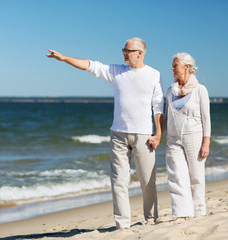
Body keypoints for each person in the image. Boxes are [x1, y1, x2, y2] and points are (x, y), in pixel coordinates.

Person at [46, 37, 164, 230]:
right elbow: (90, 65)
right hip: (118, 134)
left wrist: (158, 134)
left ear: (140, 53)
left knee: (147, 181)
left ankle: (151, 217)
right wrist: (64, 58)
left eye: (127, 50)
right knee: (118, 181)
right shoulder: (116, 71)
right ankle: (122, 224)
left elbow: (158, 107)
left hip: (143, 134)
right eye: (123, 49)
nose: (124, 53)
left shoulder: (154, 74)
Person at [164, 53, 211, 223]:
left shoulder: (200, 90)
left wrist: (206, 142)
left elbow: (206, 118)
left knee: (196, 175)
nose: (172, 68)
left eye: (175, 65)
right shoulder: (170, 91)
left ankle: (198, 211)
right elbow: (167, 118)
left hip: (195, 137)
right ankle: (181, 213)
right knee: (176, 175)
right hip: (173, 139)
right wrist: (157, 135)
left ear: (186, 67)